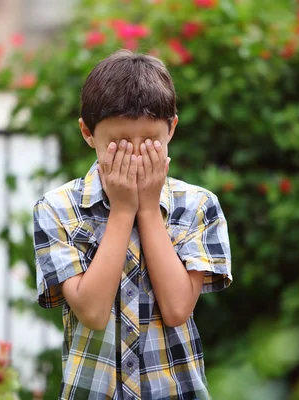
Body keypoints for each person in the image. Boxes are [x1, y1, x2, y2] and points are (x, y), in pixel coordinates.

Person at [33, 49, 232, 400]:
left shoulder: (198, 206)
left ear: (171, 128)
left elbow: (176, 308)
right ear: (87, 133)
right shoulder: (57, 209)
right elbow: (92, 311)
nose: (136, 156)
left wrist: (149, 210)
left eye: (150, 141)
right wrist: (123, 211)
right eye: (119, 144)